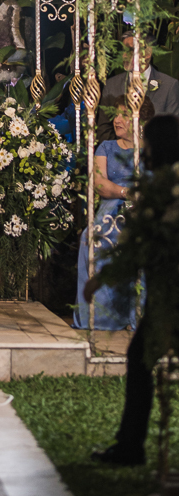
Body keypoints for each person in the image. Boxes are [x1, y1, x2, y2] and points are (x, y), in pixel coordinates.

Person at [89, 115, 179, 467]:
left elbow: (140, 246)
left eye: (150, 143)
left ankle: (130, 447)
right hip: (165, 296)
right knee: (141, 360)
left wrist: (102, 279)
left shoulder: (161, 189)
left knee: (141, 363)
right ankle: (130, 446)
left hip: (168, 298)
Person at [74, 92, 155, 330]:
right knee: (91, 238)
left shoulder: (152, 149)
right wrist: (127, 193)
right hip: (112, 213)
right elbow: (99, 184)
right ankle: (101, 317)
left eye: (124, 115)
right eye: (115, 115)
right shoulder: (106, 147)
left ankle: (140, 315)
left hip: (146, 213)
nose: (117, 120)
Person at [98, 34, 179, 143]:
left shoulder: (169, 86)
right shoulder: (111, 86)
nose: (124, 55)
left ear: (148, 54)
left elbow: (172, 131)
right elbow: (104, 129)